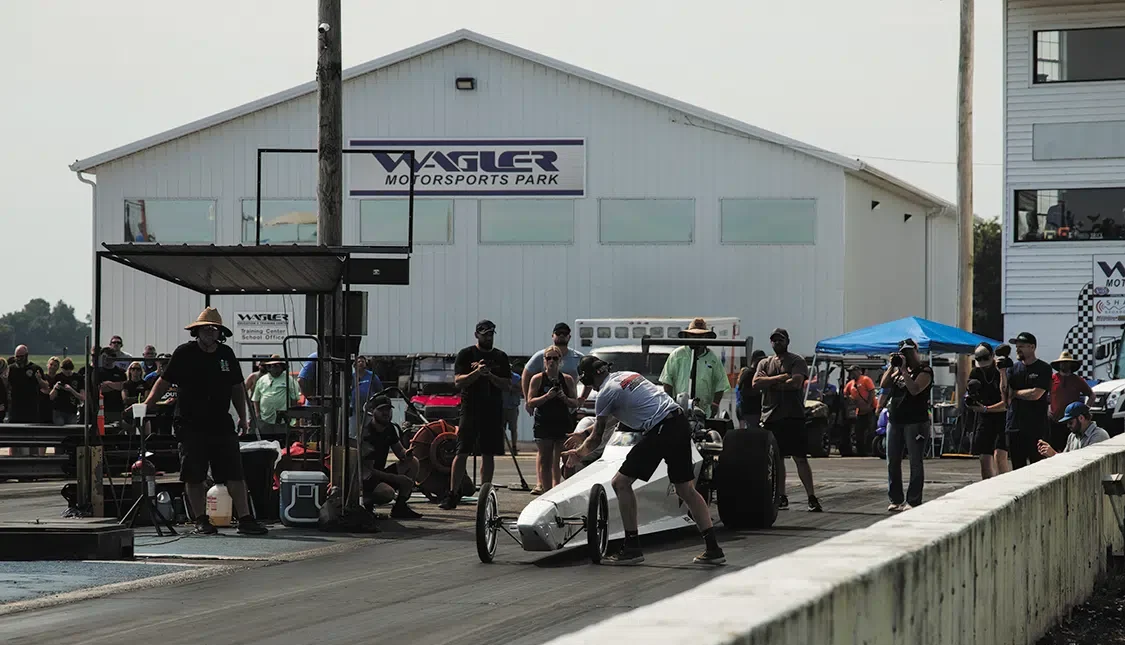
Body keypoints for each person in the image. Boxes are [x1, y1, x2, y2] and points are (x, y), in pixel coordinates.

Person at [563, 356, 724, 566]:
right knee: (686, 489)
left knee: (620, 483)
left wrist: (578, 454)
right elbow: (615, 417)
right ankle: (713, 548)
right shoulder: (628, 375)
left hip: (661, 429)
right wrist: (584, 433)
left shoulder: (605, 393)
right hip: (679, 422)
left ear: (589, 379)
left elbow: (597, 438)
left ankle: (632, 547)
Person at [142, 307, 268, 536]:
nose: (211, 333)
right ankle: (201, 520)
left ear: (220, 332)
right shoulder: (184, 353)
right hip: (190, 423)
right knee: (194, 474)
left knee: (235, 473)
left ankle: (246, 519)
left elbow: (236, 387)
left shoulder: (226, 354)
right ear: (197, 332)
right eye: (206, 329)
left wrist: (243, 417)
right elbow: (164, 381)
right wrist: (148, 404)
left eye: (214, 329)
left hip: (221, 422)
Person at [439, 320, 515, 510]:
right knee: (462, 451)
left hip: (492, 410)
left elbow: (507, 385)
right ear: (477, 335)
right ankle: (453, 493)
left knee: (488, 453)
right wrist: (477, 373)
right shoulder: (466, 354)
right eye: (485, 334)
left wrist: (490, 376)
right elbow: (458, 382)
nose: (488, 337)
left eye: (490, 334)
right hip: (471, 409)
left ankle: (485, 494)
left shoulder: (500, 357)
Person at [753, 328, 822, 512]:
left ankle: (811, 497)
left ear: (787, 341)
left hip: (793, 417)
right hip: (770, 417)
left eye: (781, 340)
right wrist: (781, 378)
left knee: (800, 458)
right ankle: (781, 496)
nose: (777, 343)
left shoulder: (796, 360)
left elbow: (796, 383)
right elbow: (755, 383)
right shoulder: (764, 362)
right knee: (778, 460)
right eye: (774, 340)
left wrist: (770, 382)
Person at [881, 338, 933, 512]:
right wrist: (892, 367)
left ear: (916, 352)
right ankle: (896, 499)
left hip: (916, 422)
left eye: (909, 352)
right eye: (903, 353)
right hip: (895, 420)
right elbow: (884, 384)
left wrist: (904, 371)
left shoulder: (925, 370)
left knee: (915, 462)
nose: (906, 356)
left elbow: (915, 389)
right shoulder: (897, 372)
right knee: (892, 461)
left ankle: (913, 500)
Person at [526, 345, 580, 493]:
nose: (551, 361)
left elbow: (575, 402)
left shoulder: (567, 379)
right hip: (544, 422)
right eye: (548, 358)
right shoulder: (537, 379)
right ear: (544, 360)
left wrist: (564, 397)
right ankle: (547, 490)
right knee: (545, 459)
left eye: (555, 358)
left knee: (563, 458)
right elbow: (530, 401)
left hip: (562, 422)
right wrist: (547, 396)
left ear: (560, 360)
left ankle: (560, 489)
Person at [359, 394, 423, 519]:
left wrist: (407, 454)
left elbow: (400, 451)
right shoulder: (367, 435)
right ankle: (367, 504)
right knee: (387, 493)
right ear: (372, 411)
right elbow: (368, 471)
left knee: (413, 463)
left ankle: (400, 507)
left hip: (380, 474)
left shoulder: (389, 428)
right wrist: (397, 478)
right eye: (381, 409)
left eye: (388, 409)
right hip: (367, 480)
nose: (386, 413)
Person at [659, 317, 731, 417]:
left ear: (706, 337)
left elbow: (720, 384)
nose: (696, 339)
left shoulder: (713, 359)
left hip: (704, 411)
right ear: (687, 336)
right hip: (680, 409)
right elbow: (667, 381)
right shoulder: (677, 355)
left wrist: (715, 404)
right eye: (693, 335)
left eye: (700, 336)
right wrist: (671, 404)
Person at [1005, 332, 1052, 470]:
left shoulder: (1043, 368)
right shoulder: (1012, 369)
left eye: (1021, 346)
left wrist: (1015, 393)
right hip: (1015, 426)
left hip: (1036, 427)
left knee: (1037, 467)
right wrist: (1002, 372)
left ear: (1032, 347)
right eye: (1017, 347)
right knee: (1017, 468)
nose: (1018, 350)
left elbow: (1036, 394)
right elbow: (1006, 395)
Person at [967, 343, 1010, 479]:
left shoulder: (1001, 370)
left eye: (985, 358)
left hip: (1002, 417)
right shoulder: (976, 372)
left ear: (992, 356)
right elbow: (970, 395)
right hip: (984, 419)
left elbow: (1007, 403)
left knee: (999, 455)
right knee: (984, 459)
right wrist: (971, 400)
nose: (983, 364)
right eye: (979, 359)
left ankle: (1005, 486)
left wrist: (986, 409)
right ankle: (989, 486)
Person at [521, 322, 584, 412]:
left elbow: (590, 376)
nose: (551, 361)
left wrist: (583, 397)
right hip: (543, 411)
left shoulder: (577, 359)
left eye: (565, 333)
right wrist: (527, 400)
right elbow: (526, 375)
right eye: (558, 333)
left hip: (567, 410)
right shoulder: (540, 356)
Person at [1048, 351, 1093, 452]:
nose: (1064, 364)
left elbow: (1092, 395)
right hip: (1054, 420)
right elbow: (1044, 394)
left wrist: (1085, 410)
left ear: (1071, 365)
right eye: (1062, 362)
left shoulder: (1077, 380)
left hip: (1071, 421)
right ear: (1059, 364)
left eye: (1067, 362)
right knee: (1054, 448)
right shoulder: (1052, 379)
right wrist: (1048, 409)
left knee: (1070, 449)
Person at [251, 355, 300, 437]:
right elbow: (256, 399)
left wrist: (293, 417)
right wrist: (258, 414)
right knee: (266, 441)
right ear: (268, 367)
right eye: (272, 366)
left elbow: (294, 399)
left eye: (277, 365)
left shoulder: (289, 379)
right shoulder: (262, 380)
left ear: (282, 367)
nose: (275, 368)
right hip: (265, 419)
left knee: (282, 440)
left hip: (283, 419)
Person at [1037, 402, 1109, 457]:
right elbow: (1065, 458)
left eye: (1070, 422)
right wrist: (1050, 453)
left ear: (1081, 418)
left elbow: (1085, 463)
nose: (1068, 426)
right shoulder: (1072, 436)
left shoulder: (1099, 435)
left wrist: (1053, 454)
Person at [7, 346, 47, 424]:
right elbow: (6, 386)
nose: (19, 359)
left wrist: (39, 380)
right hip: (15, 408)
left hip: (31, 408)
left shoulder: (35, 368)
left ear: (26, 355)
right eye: (17, 356)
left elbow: (46, 387)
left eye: (21, 357)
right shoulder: (11, 369)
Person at [843, 365, 877, 455]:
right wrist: (851, 400)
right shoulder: (850, 384)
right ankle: (861, 451)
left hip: (871, 410)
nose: (851, 374)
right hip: (860, 412)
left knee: (871, 430)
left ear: (859, 371)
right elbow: (845, 393)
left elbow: (872, 392)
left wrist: (869, 404)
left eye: (853, 371)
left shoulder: (865, 379)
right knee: (858, 432)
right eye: (850, 372)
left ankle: (871, 450)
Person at [736, 350, 767, 429]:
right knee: (753, 431)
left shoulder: (757, 372)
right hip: (751, 410)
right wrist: (761, 390)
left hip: (756, 410)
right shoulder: (748, 373)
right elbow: (744, 392)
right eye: (760, 360)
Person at [49, 358, 85, 426]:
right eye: (65, 372)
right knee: (60, 426)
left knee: (71, 428)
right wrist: (55, 387)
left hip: (72, 411)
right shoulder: (58, 377)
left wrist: (71, 390)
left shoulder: (78, 378)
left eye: (69, 372)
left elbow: (83, 397)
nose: (67, 374)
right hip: (58, 410)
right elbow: (51, 397)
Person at [96, 349, 127, 425]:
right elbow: (101, 388)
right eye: (103, 357)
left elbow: (122, 386)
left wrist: (109, 384)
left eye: (108, 357)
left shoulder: (121, 372)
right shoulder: (97, 372)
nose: (105, 359)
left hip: (117, 408)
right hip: (102, 409)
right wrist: (115, 386)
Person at [502, 363, 522, 455]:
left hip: (513, 406)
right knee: (502, 429)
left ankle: (514, 447)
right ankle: (501, 447)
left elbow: (520, 388)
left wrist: (511, 387)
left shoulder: (516, 377)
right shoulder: (501, 377)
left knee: (513, 428)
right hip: (502, 406)